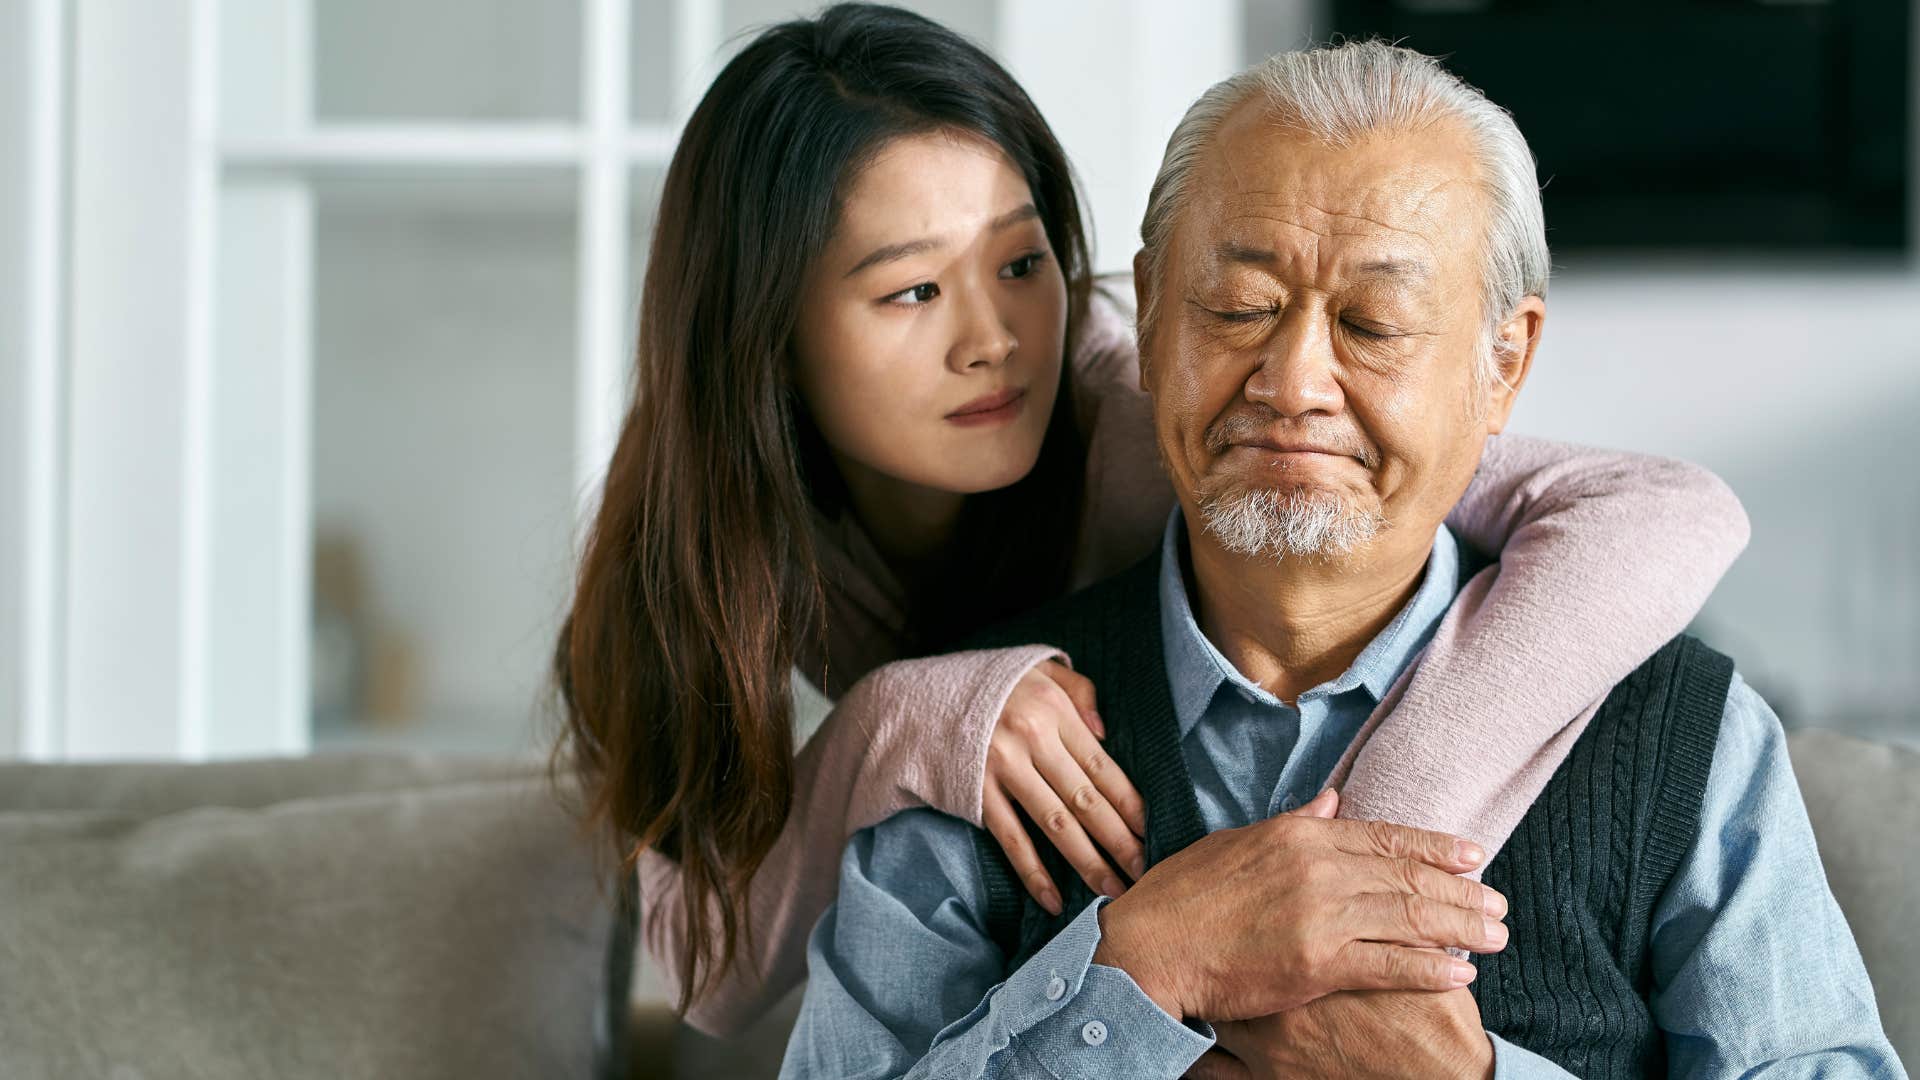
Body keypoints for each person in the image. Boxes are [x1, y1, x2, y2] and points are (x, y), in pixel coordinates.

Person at [552, 4, 1749, 1037]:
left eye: (1021, 264)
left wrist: (1368, 847)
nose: (994, 336)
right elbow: (706, 975)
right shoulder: (695, 538)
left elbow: (1662, 509)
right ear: (765, 329)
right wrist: (895, 719)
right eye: (913, 290)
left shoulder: (1150, 405)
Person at [776, 39, 1904, 1079]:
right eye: (1240, 304)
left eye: (1372, 324)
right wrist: (1137, 976)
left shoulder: (1684, 735)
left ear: (1502, 365)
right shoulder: (985, 761)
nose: (1294, 382)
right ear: (1154, 311)